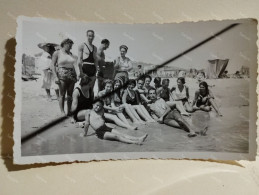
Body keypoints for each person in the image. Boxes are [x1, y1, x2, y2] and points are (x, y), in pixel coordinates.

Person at [82, 100, 148, 144]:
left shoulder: (101, 110)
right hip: (100, 132)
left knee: (122, 134)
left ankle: (138, 138)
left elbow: (102, 119)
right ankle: (136, 142)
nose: (98, 107)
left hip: (105, 127)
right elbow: (87, 123)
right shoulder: (88, 112)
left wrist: (107, 124)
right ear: (93, 104)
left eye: (99, 106)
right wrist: (85, 133)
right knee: (116, 136)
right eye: (96, 105)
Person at [51, 39, 77, 116]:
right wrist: (55, 77)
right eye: (69, 45)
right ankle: (62, 112)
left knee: (70, 95)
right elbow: (52, 65)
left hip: (72, 76)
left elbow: (75, 66)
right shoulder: (57, 53)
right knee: (62, 94)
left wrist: (76, 76)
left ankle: (69, 111)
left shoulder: (71, 54)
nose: (70, 47)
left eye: (71, 46)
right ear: (64, 44)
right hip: (61, 75)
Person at [77, 30, 97, 100]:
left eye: (92, 36)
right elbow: (79, 60)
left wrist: (95, 72)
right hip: (85, 68)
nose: (90, 37)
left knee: (91, 88)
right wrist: (80, 72)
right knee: (84, 87)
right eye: (89, 36)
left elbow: (95, 61)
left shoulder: (95, 48)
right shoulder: (82, 45)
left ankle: (90, 104)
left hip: (93, 69)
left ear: (94, 37)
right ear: (87, 36)